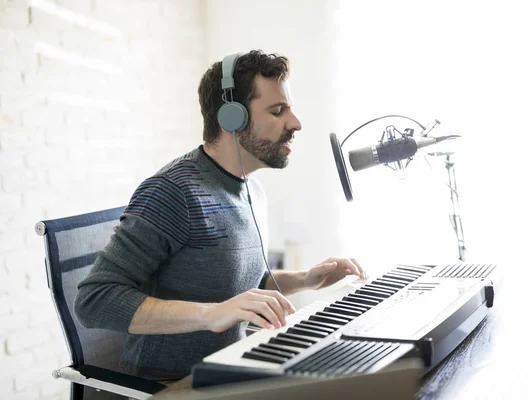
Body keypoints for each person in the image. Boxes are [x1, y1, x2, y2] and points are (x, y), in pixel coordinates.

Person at [74, 50, 366, 381]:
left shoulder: (252, 190)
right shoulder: (172, 192)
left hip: (229, 368)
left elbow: (238, 288)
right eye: (277, 110)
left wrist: (304, 280)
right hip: (169, 384)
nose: (295, 123)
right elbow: (94, 301)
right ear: (232, 118)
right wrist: (212, 315)